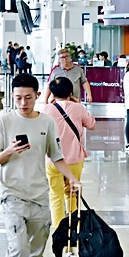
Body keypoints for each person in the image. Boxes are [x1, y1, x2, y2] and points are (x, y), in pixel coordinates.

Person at [0, 73, 82, 257]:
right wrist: (9, 151)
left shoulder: (47, 122)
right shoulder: (4, 121)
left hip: (39, 197)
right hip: (13, 195)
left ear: (38, 96)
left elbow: (57, 156)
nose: (22, 103)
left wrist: (71, 178)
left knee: (36, 253)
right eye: (17, 97)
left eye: (28, 97)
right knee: (18, 247)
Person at [41, 76, 96, 230]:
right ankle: (74, 227)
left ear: (52, 93)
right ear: (71, 92)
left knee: (55, 195)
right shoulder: (78, 108)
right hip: (74, 159)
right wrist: (78, 105)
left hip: (52, 160)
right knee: (72, 193)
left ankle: (59, 229)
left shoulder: (46, 109)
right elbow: (92, 124)